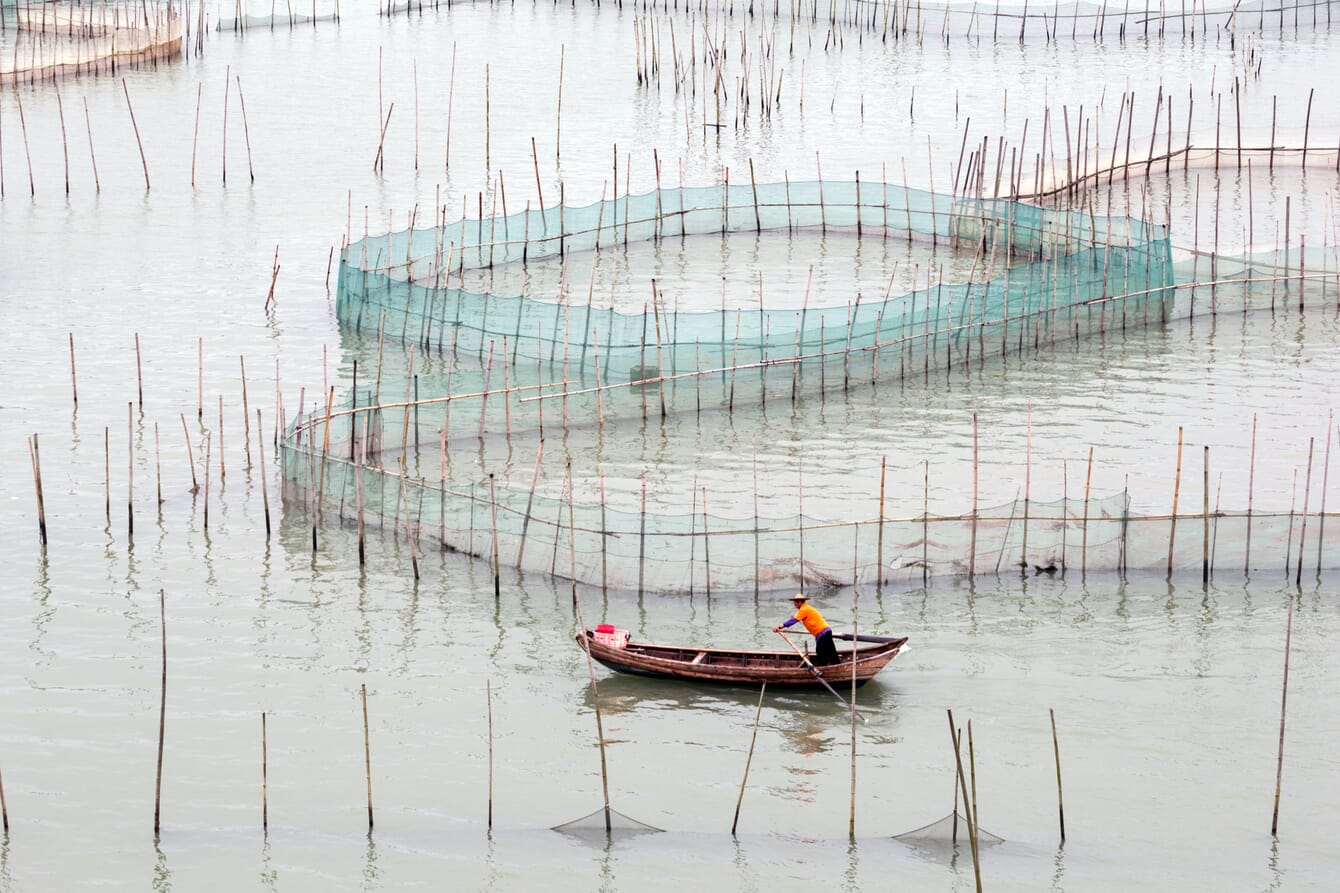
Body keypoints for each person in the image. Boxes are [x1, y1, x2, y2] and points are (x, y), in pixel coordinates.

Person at [773, 592, 839, 666]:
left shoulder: (804, 609)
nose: (794, 604)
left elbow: (793, 620)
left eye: (795, 602)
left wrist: (780, 626)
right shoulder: (806, 608)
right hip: (826, 631)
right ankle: (837, 665)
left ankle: (823, 669)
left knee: (821, 653)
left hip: (822, 633)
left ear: (800, 602)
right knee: (831, 652)